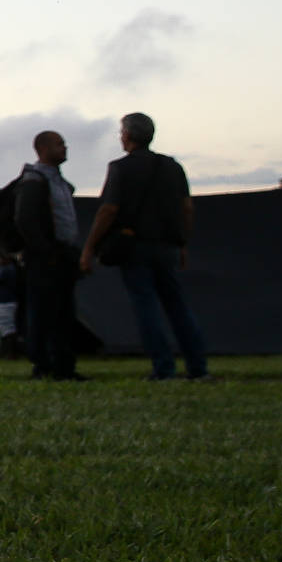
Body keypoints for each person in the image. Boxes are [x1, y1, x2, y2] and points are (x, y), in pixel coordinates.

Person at [81, 112, 210, 381]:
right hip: (168, 246)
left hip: (135, 247)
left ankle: (164, 368)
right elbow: (187, 207)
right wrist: (182, 241)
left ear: (127, 136)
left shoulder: (120, 168)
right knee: (178, 307)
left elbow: (108, 209)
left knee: (146, 307)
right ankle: (198, 368)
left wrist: (90, 246)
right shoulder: (172, 167)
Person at [14, 129, 84, 381]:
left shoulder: (58, 182)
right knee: (44, 312)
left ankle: (65, 366)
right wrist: (45, 250)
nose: (65, 148)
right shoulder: (34, 181)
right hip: (45, 258)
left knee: (64, 312)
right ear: (42, 149)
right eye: (59, 144)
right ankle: (43, 365)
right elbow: (26, 220)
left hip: (63, 254)